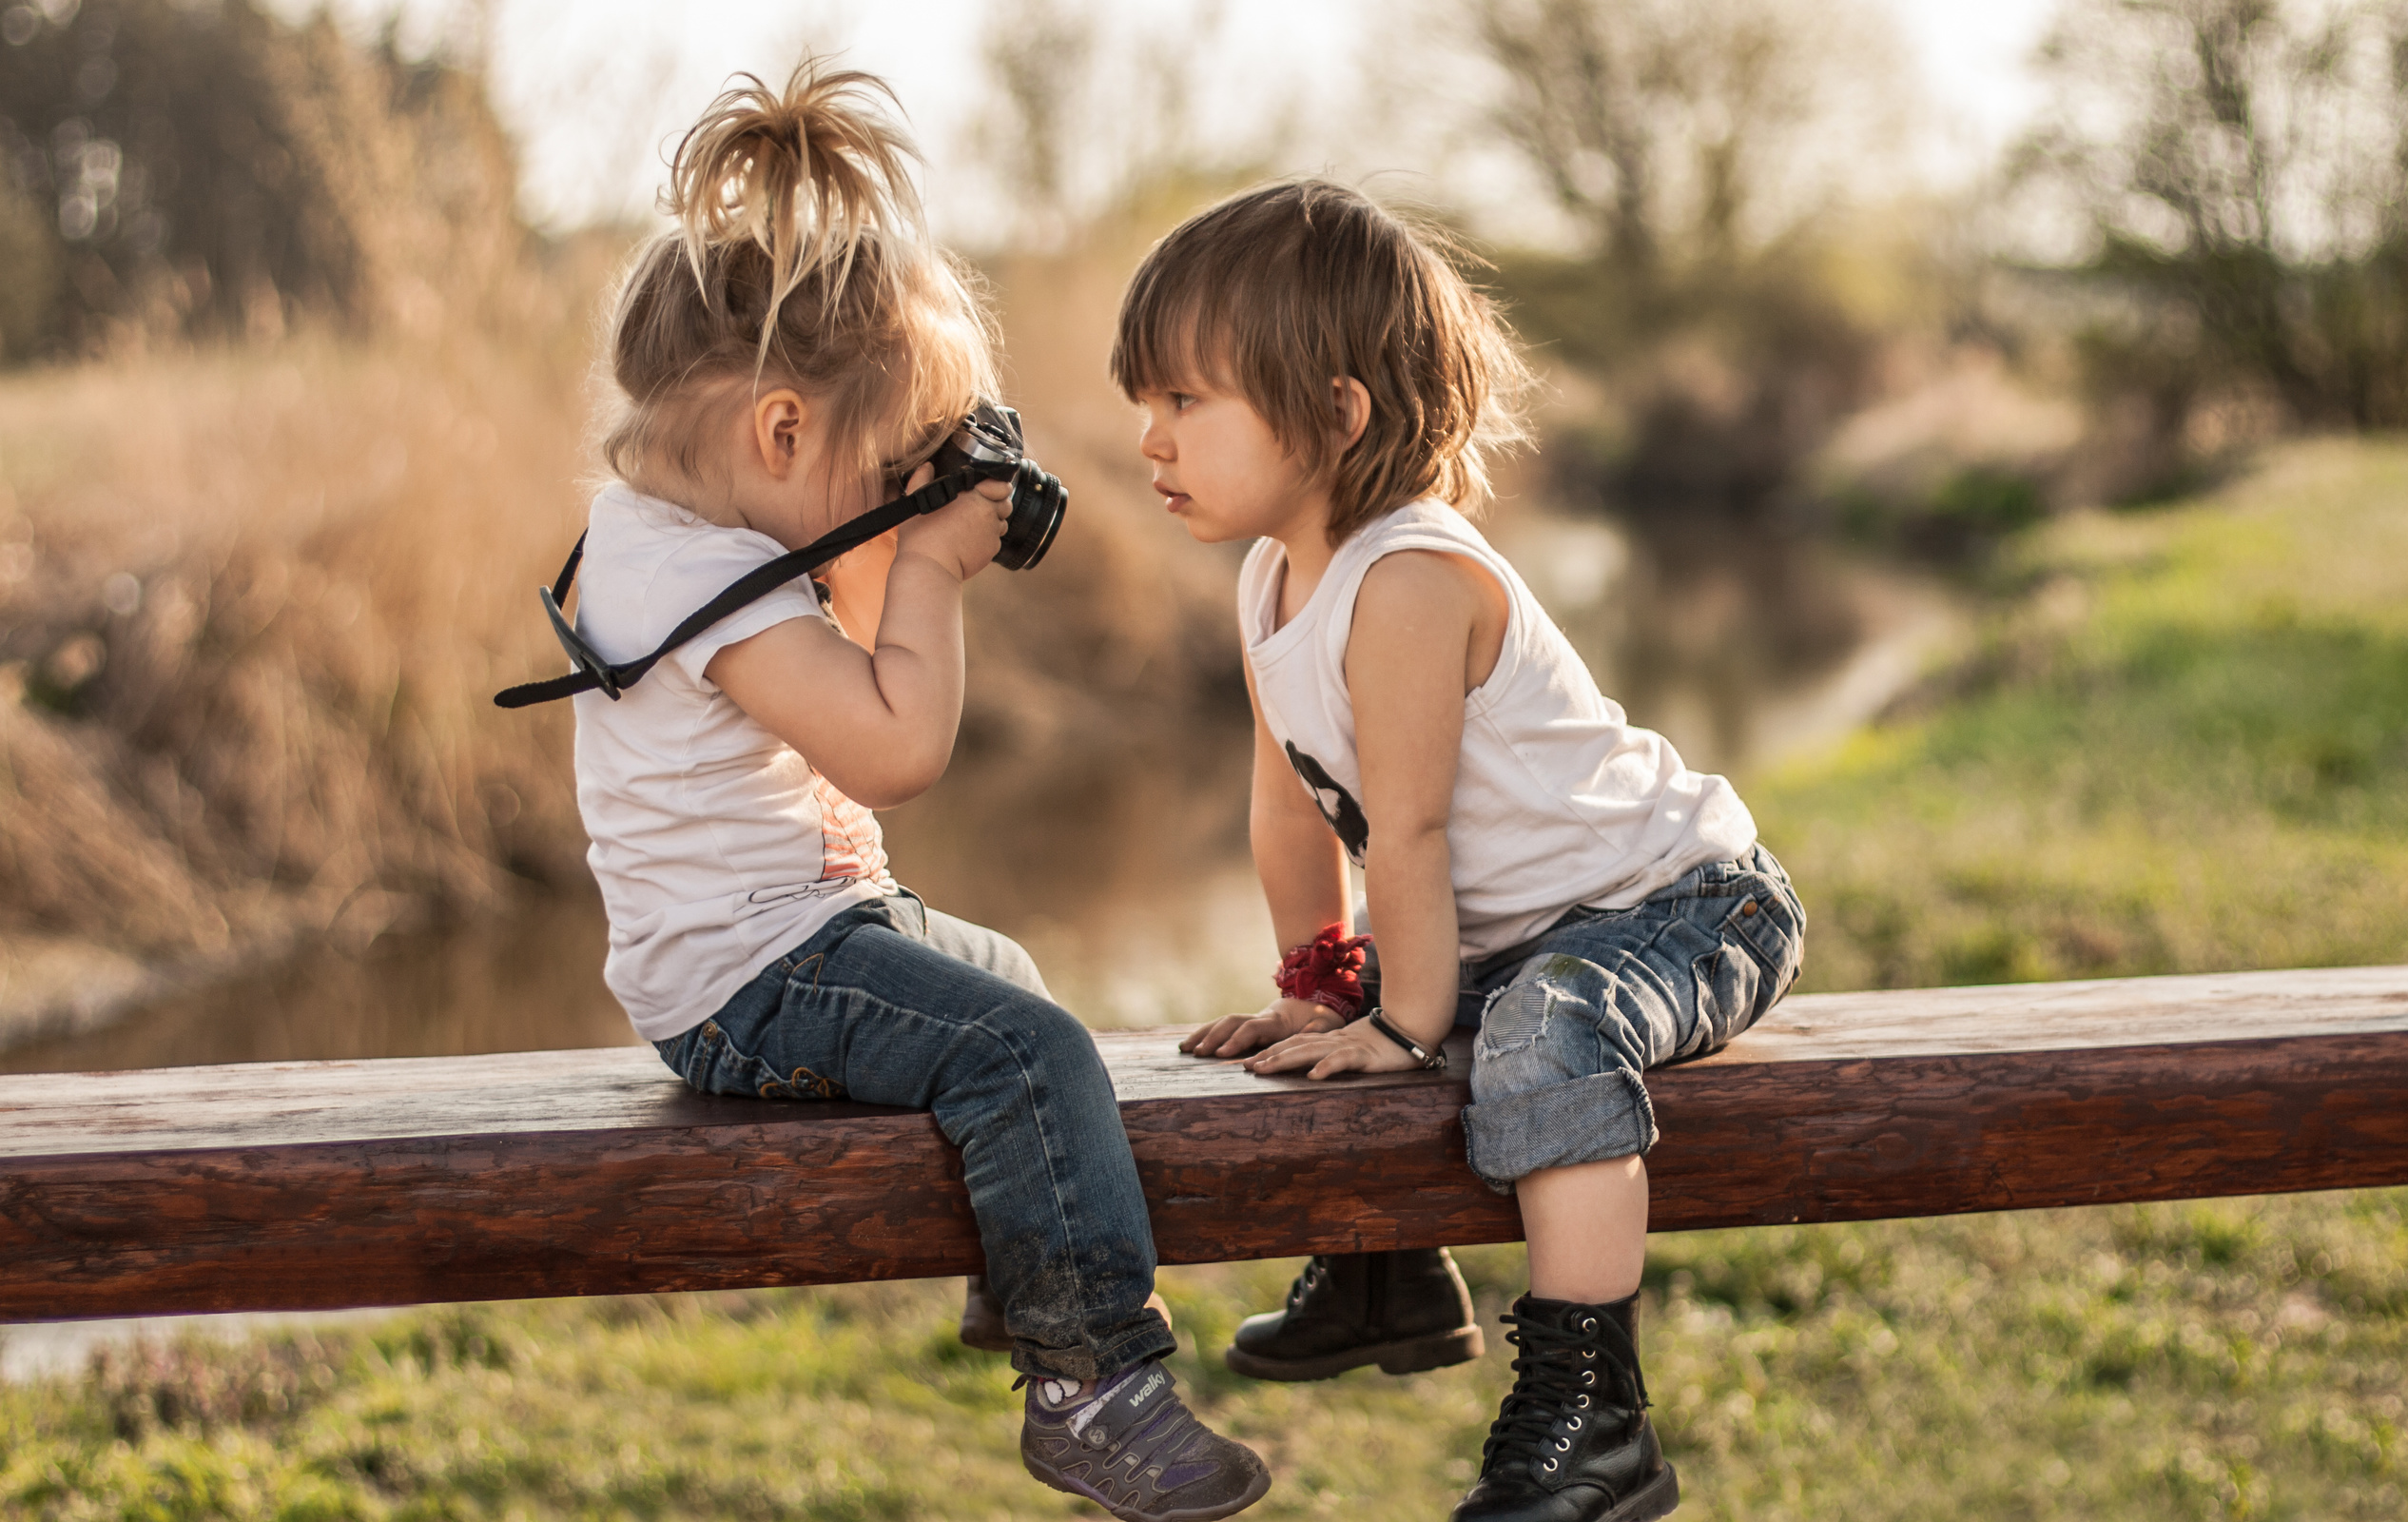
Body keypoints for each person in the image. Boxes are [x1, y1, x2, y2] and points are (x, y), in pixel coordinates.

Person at [559, 60, 1268, 1522]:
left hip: (784, 936)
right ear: (778, 433)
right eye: (883, 464)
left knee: (1007, 981)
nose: (899, 492)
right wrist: (937, 559)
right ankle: (1092, 1387)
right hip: (752, 979)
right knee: (1027, 1052)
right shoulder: (707, 585)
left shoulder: (671, 535)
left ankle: (1025, 1274)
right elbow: (895, 751)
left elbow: (847, 607)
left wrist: (892, 505)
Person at [1115, 180, 1805, 1522]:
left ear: (1336, 413)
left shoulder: (1414, 579)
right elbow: (1294, 809)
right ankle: (1387, 1273)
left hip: (1680, 907)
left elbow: (1412, 830)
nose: (1150, 438)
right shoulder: (1272, 578)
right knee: (1357, 1020)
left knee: (1534, 1030)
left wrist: (1403, 1015)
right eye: (1147, 402)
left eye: (1186, 402)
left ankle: (1595, 1421)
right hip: (1538, 928)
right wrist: (1321, 985)